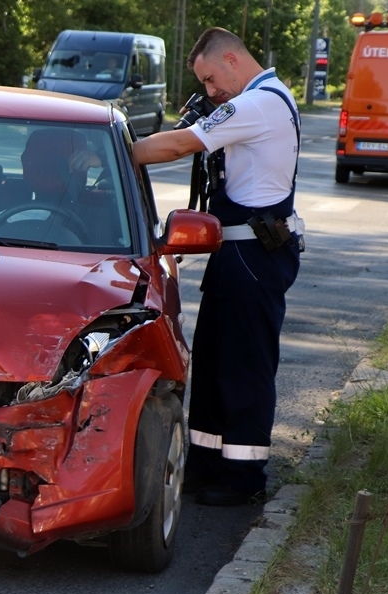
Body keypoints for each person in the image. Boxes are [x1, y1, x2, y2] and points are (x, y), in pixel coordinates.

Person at [132, 27, 303, 506]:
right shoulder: (263, 99)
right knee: (213, 360)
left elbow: (175, 146)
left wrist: (113, 154)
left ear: (231, 59)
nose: (210, 92)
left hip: (252, 253)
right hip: (240, 253)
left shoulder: (256, 104)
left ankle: (243, 478)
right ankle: (208, 465)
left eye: (210, 79)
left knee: (243, 364)